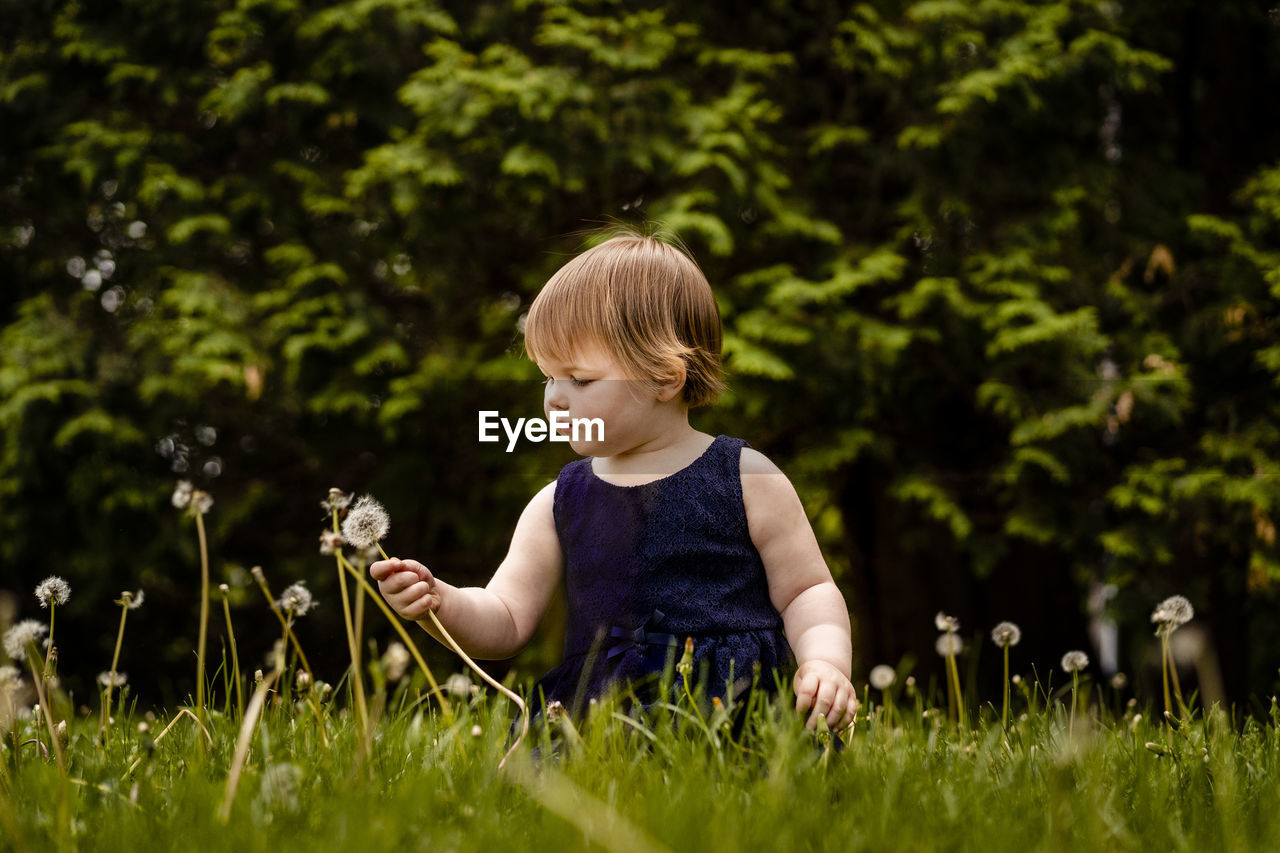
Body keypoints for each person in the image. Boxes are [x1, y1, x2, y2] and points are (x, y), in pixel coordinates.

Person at [370, 230, 857, 729]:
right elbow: (507, 618)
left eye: (579, 379)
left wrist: (825, 662)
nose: (555, 399)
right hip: (598, 720)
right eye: (548, 377)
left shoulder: (746, 478)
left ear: (666, 377)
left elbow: (807, 591)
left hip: (736, 714)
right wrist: (441, 602)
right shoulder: (558, 501)